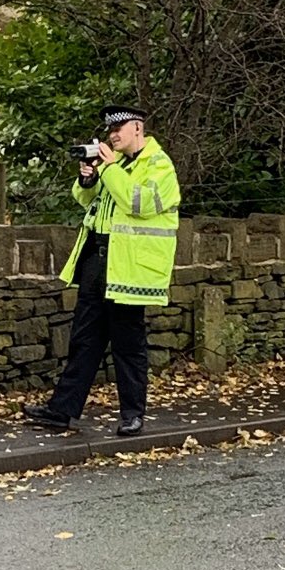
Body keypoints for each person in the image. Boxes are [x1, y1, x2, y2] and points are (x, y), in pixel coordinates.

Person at [24, 103, 181, 436]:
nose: (112, 135)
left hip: (130, 268)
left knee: (128, 345)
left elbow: (137, 204)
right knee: (84, 340)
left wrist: (108, 171)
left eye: (118, 129)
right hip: (98, 260)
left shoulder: (159, 165)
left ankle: (132, 415)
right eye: (110, 130)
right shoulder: (118, 164)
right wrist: (87, 179)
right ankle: (61, 410)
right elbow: (91, 202)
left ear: (137, 128)